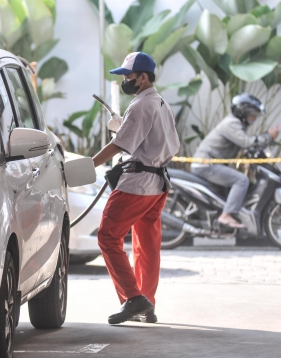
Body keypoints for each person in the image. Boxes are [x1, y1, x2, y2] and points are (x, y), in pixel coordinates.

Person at [92, 52, 180, 325]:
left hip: (137, 184)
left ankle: (133, 298)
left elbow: (119, 145)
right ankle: (147, 303)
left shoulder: (140, 106)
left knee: (108, 236)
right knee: (146, 246)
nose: (125, 81)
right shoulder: (161, 103)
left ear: (143, 77)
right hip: (157, 185)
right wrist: (123, 127)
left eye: (128, 76)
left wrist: (87, 165)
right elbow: (162, 142)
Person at [191, 94, 279, 229]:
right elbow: (247, 143)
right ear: (242, 112)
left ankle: (230, 215)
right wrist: (269, 136)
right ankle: (226, 215)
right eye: (252, 114)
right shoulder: (231, 124)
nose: (254, 118)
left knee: (244, 182)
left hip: (211, 164)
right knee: (241, 180)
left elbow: (249, 146)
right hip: (205, 165)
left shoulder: (237, 124)